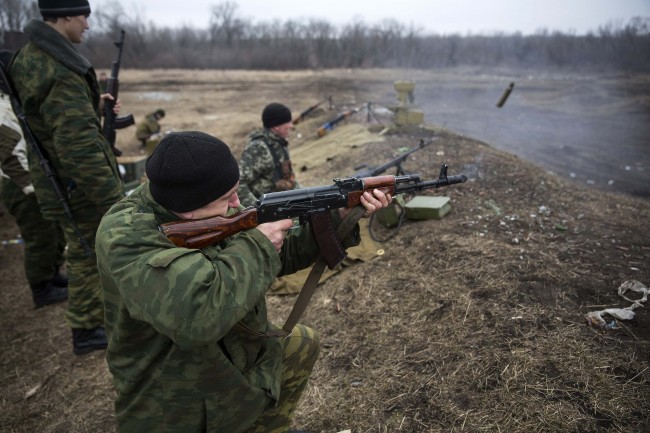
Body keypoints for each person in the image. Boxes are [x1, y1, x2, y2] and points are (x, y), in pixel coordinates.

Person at [95, 131, 391, 433]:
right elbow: (197, 316)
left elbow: (277, 256)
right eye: (227, 198)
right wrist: (260, 244)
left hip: (233, 365)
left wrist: (341, 215)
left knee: (302, 343)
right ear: (187, 207)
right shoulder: (125, 236)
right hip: (174, 404)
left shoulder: (207, 210)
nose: (237, 203)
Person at [10, 0, 126, 355]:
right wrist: (113, 200)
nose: (87, 26)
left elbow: (49, 120)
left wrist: (91, 105)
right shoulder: (59, 69)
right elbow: (76, 146)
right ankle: (88, 328)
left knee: (80, 248)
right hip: (76, 185)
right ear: (63, 17)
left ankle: (90, 319)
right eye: (83, 17)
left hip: (57, 179)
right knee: (87, 251)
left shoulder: (30, 56)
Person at [0, 52, 68, 308]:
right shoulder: (2, 109)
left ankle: (52, 275)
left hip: (35, 180)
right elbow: (10, 158)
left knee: (52, 232)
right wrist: (32, 186)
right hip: (21, 185)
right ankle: (41, 287)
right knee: (39, 236)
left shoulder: (13, 101)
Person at [237, 102, 299, 207]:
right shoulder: (258, 148)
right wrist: (257, 209)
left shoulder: (279, 143)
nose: (291, 126)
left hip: (283, 202)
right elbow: (238, 184)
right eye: (288, 122)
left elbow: (287, 178)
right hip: (269, 210)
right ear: (276, 126)